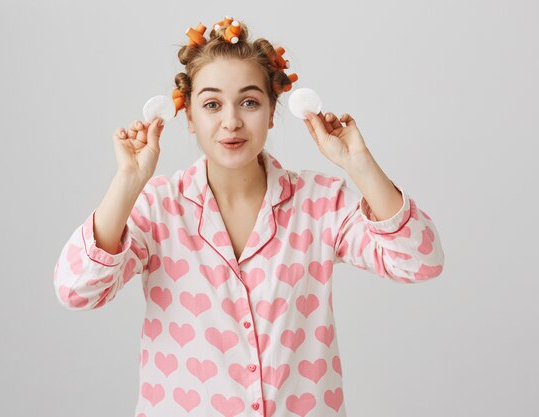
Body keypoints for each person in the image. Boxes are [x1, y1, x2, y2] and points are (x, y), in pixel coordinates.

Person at [53, 16, 445, 417]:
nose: (231, 121)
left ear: (272, 112)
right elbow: (77, 290)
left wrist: (358, 163)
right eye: (211, 104)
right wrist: (128, 181)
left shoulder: (319, 202)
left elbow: (421, 261)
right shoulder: (157, 208)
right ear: (188, 117)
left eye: (249, 102)